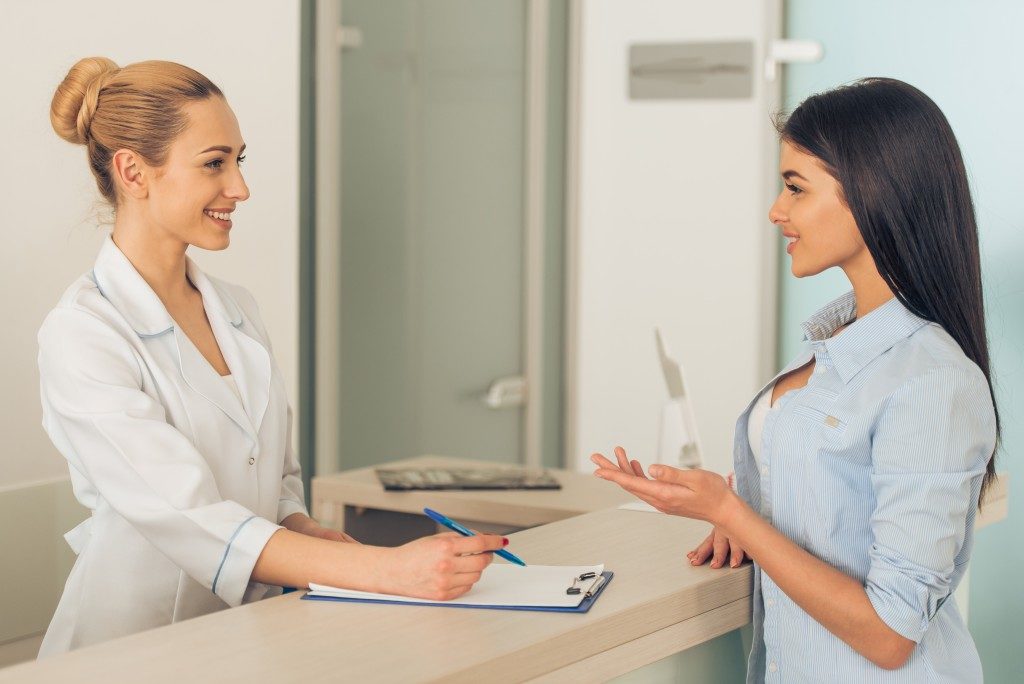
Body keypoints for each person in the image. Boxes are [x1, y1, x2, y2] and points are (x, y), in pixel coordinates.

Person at [38, 57, 504, 657]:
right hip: (127, 651)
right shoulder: (83, 333)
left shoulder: (237, 309)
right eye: (214, 163)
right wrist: (391, 571)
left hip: (244, 639)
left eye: (239, 160)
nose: (239, 187)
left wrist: (313, 534)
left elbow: (274, 484)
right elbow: (189, 518)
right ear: (133, 171)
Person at [592, 78, 999, 681]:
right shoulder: (833, 349)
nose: (776, 210)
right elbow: (830, 511)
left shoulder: (931, 380)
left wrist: (734, 514)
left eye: (795, 188)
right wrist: (742, 521)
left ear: (871, 194)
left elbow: (890, 636)